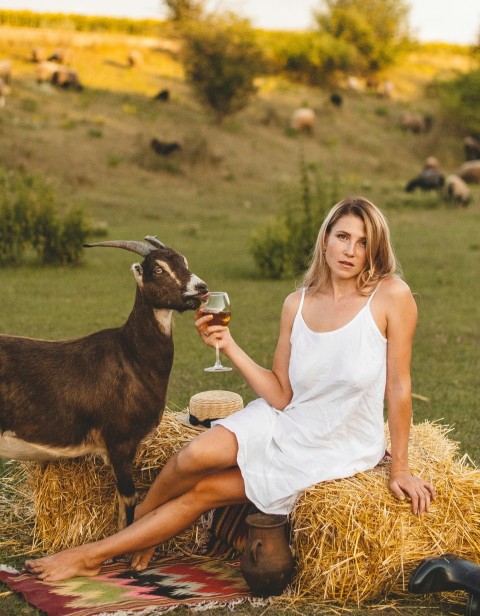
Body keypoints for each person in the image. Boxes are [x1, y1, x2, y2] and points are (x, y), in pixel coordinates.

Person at [25, 196, 435, 582]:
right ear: (325, 238)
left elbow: (399, 387)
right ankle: (138, 531)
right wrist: (227, 344)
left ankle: (91, 555)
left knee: (205, 491)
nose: (350, 250)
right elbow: (280, 395)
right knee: (192, 456)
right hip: (286, 417)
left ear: (373, 250)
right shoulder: (297, 302)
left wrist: (400, 468)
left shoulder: (391, 297)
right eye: (343, 236)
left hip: (334, 443)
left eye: (363, 243)